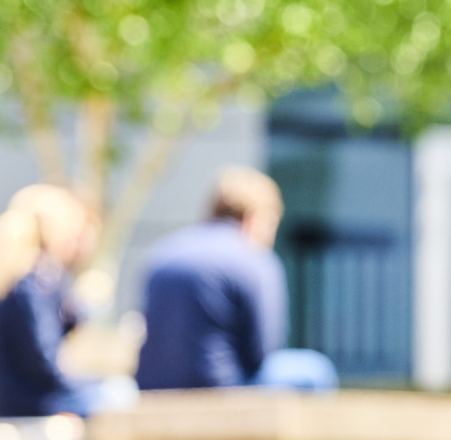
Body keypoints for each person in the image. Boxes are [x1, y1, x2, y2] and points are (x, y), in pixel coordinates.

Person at [134, 168, 337, 392]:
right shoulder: (254, 259)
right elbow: (261, 353)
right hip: (220, 388)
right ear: (255, 218)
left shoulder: (164, 253)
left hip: (153, 387)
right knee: (318, 371)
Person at [0, 184, 132, 419]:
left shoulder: (0, 277)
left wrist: (72, 315)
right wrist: (93, 384)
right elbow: (43, 364)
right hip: (22, 406)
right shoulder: (33, 283)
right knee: (122, 394)